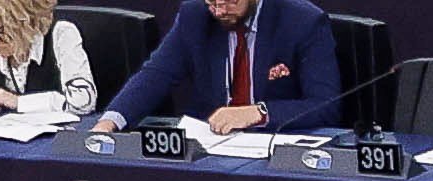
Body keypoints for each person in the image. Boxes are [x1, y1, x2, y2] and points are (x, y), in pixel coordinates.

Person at [115, 0, 343, 125]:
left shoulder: (303, 21)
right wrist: (111, 122)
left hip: (277, 149)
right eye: (212, 2)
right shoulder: (195, 16)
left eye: (230, 2)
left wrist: (259, 113)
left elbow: (326, 106)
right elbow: (155, 74)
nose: (219, 11)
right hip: (213, 148)